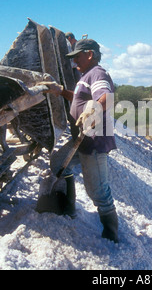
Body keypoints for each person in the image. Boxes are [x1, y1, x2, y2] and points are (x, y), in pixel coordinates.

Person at [41, 39, 119, 243]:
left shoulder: (98, 73)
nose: (74, 61)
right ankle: (68, 207)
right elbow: (80, 100)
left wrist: (94, 109)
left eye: (77, 56)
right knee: (59, 162)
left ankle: (111, 235)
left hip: (93, 140)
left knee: (97, 191)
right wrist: (60, 91)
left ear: (90, 54)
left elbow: (107, 96)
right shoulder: (85, 76)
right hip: (82, 139)